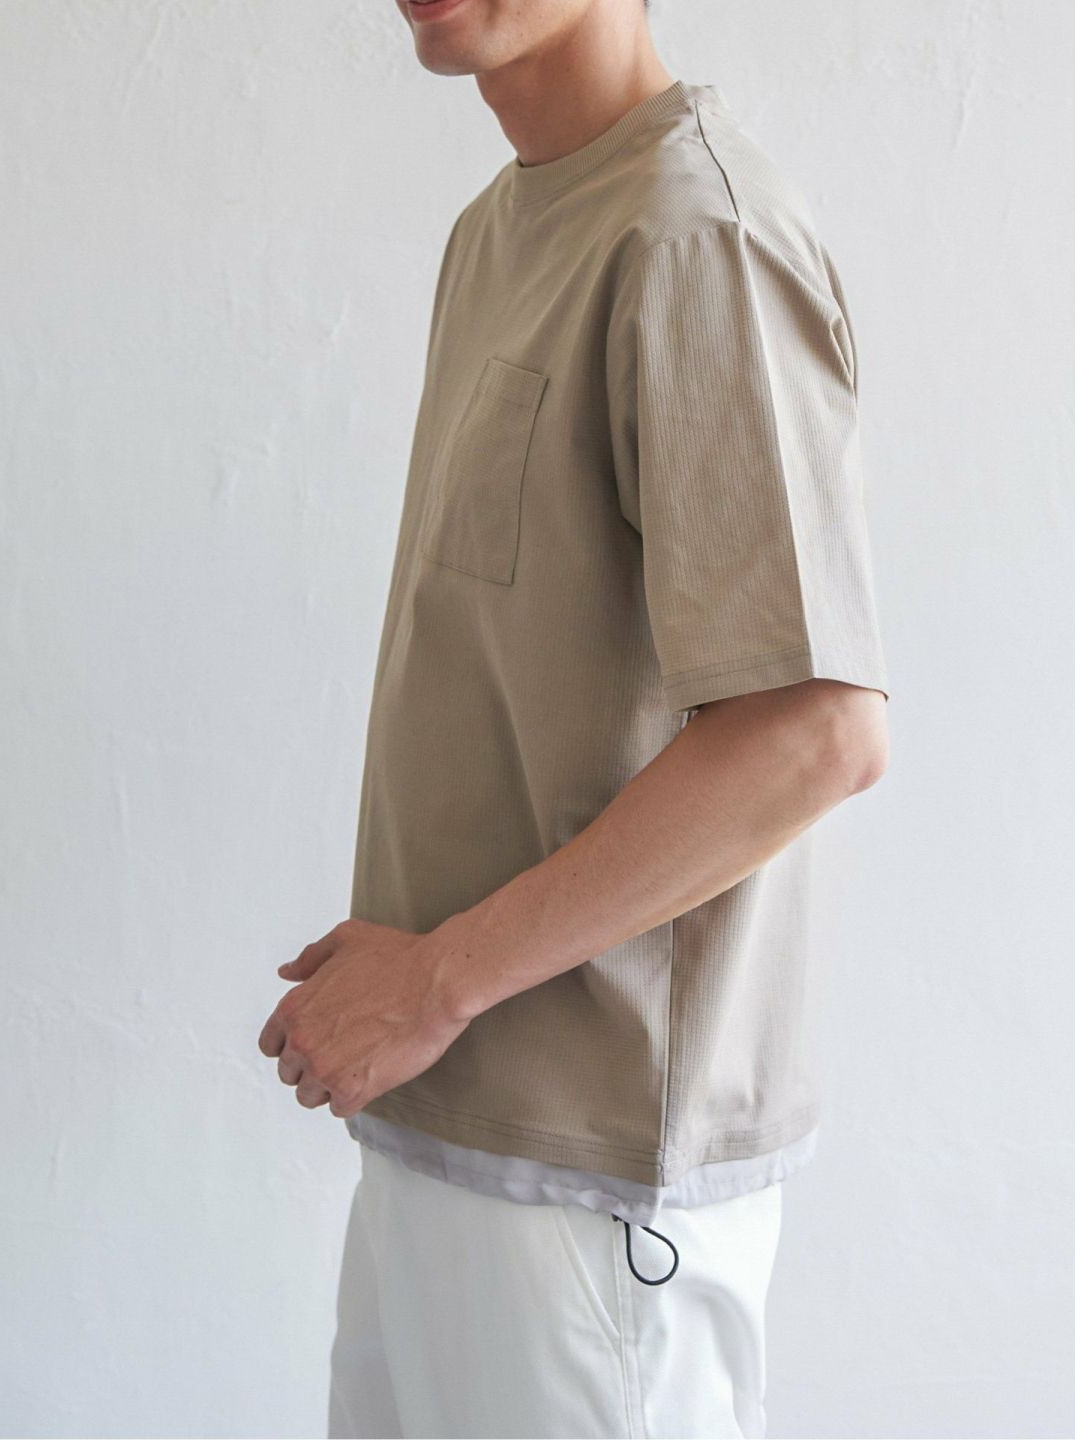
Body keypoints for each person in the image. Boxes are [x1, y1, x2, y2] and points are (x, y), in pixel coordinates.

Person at [257, 0, 892, 1434]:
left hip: (598, 1201)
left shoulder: (697, 236)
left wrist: (437, 980)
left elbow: (815, 733)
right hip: (443, 1137)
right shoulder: (500, 230)